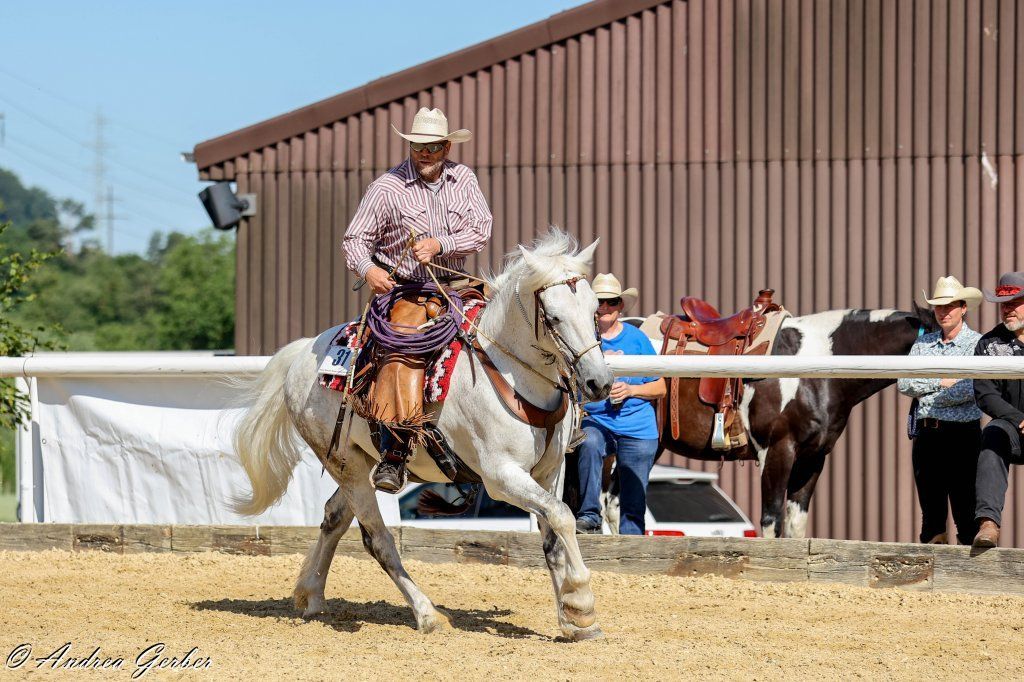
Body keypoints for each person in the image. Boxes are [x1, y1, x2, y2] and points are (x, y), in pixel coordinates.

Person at [342, 107, 493, 492]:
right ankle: (394, 452)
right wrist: (368, 270)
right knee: (403, 348)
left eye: (432, 147)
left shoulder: (464, 178)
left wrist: (441, 243)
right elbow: (355, 240)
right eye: (418, 147)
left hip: (457, 284)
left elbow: (481, 229)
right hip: (408, 288)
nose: (424, 153)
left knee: (515, 329)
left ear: (446, 146)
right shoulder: (386, 187)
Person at [574, 273, 666, 535]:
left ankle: (631, 546)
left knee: (633, 503)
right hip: (597, 418)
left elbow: (660, 387)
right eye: (598, 302)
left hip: (636, 423)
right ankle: (590, 514)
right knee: (589, 442)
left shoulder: (637, 339)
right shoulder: (581, 337)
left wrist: (632, 389)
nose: (604, 307)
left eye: (611, 302)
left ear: (620, 306)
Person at [897, 276, 983, 545]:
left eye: (950, 306)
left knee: (966, 512)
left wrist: (926, 391)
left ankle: (970, 580)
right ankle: (933, 583)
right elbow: (904, 383)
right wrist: (940, 382)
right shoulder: (923, 343)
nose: (943, 312)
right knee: (931, 515)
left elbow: (970, 389)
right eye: (939, 307)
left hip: (963, 436)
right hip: (927, 436)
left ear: (963, 308)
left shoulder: (977, 345)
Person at [972, 271, 1024, 547]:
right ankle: (988, 524)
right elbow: (984, 392)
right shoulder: (989, 344)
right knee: (992, 434)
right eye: (1004, 303)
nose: (1008, 309)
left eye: (1015, 302)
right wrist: (1018, 419)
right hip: (1011, 427)